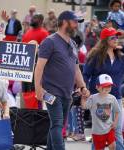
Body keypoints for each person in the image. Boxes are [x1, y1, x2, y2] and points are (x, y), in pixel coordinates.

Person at [34, 10, 90, 150]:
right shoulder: (49, 41)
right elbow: (39, 67)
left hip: (67, 93)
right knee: (58, 124)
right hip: (51, 91)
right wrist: (38, 88)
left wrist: (82, 87)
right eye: (74, 22)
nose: (77, 25)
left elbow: (76, 69)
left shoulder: (72, 43)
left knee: (56, 126)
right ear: (64, 22)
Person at [83, 27, 124, 150]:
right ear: (105, 40)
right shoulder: (95, 56)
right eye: (113, 37)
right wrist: (84, 89)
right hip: (100, 99)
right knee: (101, 131)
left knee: (117, 130)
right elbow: (85, 74)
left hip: (116, 97)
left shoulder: (121, 57)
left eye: (117, 37)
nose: (116, 39)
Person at [82, 74, 120, 150]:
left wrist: (115, 122)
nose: (107, 88)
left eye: (109, 86)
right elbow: (84, 106)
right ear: (97, 87)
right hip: (97, 131)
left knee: (113, 146)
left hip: (109, 128)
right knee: (99, 148)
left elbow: (117, 111)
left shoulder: (112, 98)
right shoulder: (93, 98)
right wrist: (83, 98)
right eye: (104, 86)